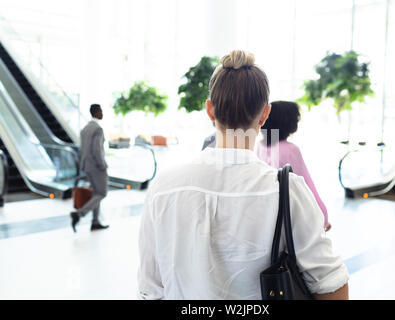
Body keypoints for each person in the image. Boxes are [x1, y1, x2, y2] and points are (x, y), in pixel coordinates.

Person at [138, 50, 348, 300]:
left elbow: (150, 290)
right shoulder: (286, 190)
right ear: (264, 115)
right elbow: (331, 283)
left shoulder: (164, 186)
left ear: (210, 110)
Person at [257, 101, 331, 231]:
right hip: (290, 219)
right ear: (287, 122)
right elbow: (306, 184)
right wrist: (323, 215)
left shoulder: (260, 146)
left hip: (266, 218)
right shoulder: (290, 150)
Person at [70, 104, 109, 233]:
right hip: (97, 166)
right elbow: (96, 149)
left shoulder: (85, 129)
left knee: (96, 193)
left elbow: (82, 149)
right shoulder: (98, 129)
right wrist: (102, 165)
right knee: (102, 193)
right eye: (101, 111)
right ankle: (79, 214)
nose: (102, 113)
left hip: (87, 166)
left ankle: (95, 222)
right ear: (97, 112)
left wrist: (85, 167)